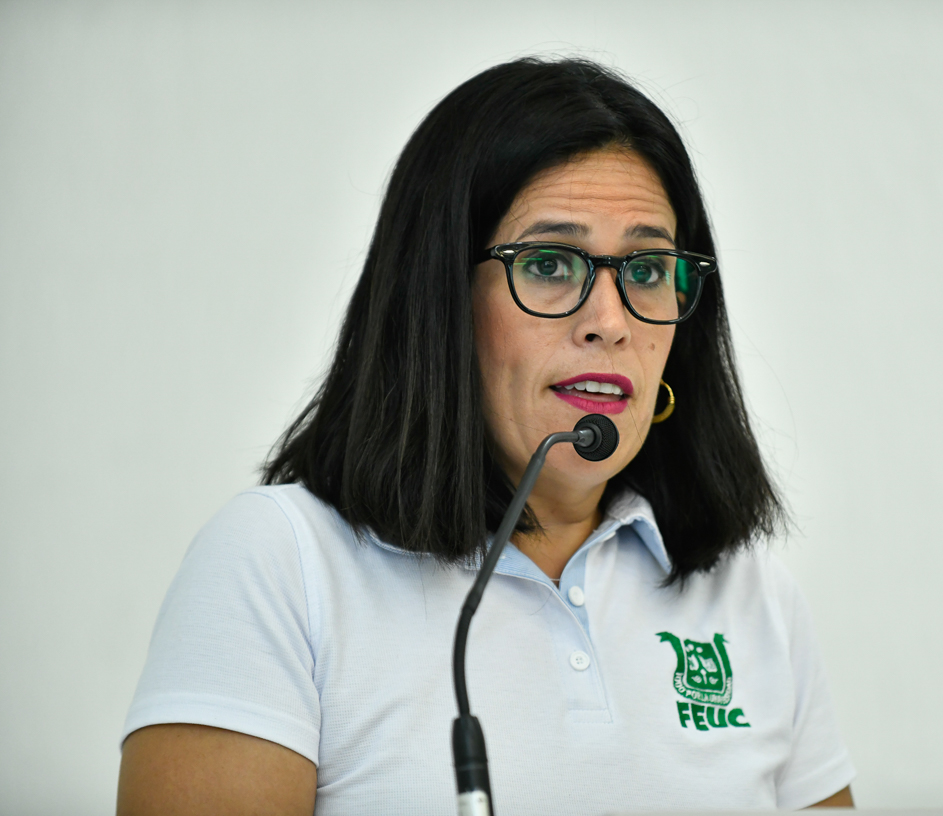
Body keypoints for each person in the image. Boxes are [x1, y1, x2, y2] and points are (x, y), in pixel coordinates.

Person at [116, 57, 856, 815]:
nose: (610, 321)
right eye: (549, 263)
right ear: (440, 298)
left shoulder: (750, 592)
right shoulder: (282, 563)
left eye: (645, 270)